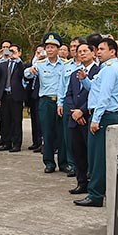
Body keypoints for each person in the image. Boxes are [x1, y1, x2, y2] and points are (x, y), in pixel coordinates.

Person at [75, 36, 118, 207]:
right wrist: (84, 79)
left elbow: (104, 97)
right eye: (98, 49)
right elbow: (94, 89)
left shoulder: (109, 69)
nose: (98, 52)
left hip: (103, 116)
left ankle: (95, 195)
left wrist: (96, 119)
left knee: (98, 159)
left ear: (112, 51)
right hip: (102, 115)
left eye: (102, 49)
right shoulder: (106, 68)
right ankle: (96, 192)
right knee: (95, 156)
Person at [28, 33, 71, 173]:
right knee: (47, 133)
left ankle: (63, 163)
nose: (50, 50)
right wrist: (30, 70)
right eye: (48, 47)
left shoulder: (65, 64)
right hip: (46, 102)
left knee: (62, 133)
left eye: (53, 47)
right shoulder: (40, 64)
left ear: (58, 49)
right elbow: (27, 74)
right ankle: (49, 162)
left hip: (61, 101)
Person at [62, 42, 97, 195]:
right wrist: (74, 113)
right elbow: (69, 95)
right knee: (78, 152)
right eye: (79, 51)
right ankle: (81, 182)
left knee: (91, 154)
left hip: (89, 117)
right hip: (74, 118)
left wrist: (82, 111)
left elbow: (96, 94)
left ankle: (93, 184)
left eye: (85, 51)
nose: (82, 54)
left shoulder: (99, 72)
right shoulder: (74, 73)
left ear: (93, 52)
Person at [0, 45, 27, 151]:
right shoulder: (3, 64)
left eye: (14, 51)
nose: (11, 53)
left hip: (16, 96)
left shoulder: (20, 64)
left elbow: (24, 75)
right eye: (10, 51)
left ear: (19, 52)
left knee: (16, 121)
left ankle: (16, 144)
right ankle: (6, 143)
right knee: (5, 120)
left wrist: (17, 59)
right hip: (5, 95)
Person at [25, 44, 46, 151]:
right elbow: (27, 75)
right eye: (37, 52)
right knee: (34, 119)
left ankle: (43, 143)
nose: (39, 54)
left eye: (42, 52)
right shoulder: (33, 63)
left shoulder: (46, 64)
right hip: (32, 94)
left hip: (42, 94)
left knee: (41, 120)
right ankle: (36, 141)